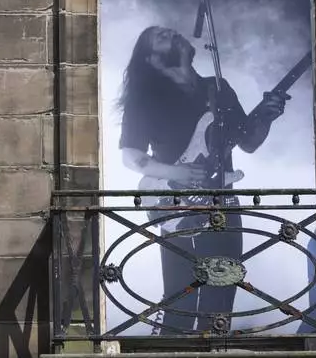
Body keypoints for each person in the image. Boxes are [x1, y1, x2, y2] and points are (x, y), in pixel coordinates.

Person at [117, 25, 288, 334]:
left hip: (223, 202)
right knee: (181, 300)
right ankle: (173, 357)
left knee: (221, 298)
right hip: (175, 202)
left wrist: (266, 116)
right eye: (161, 36)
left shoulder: (217, 88)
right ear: (150, 58)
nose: (172, 33)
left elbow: (247, 141)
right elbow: (130, 155)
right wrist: (177, 172)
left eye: (170, 32)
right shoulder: (146, 98)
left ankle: (216, 356)